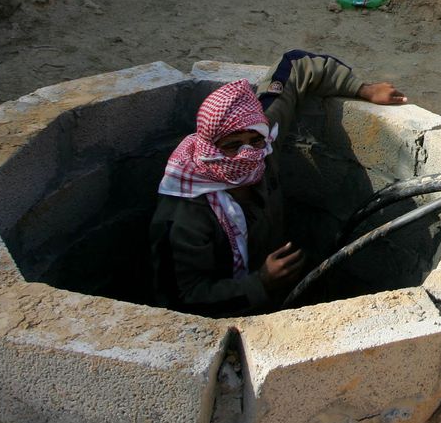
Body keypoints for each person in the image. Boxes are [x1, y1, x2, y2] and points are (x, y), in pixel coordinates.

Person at [149, 50, 407, 316]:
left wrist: (362, 89)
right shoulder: (184, 213)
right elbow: (182, 299)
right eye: (232, 146)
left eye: (254, 141)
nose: (246, 154)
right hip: (223, 314)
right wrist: (261, 281)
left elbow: (295, 65)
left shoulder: (263, 147)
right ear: (208, 148)